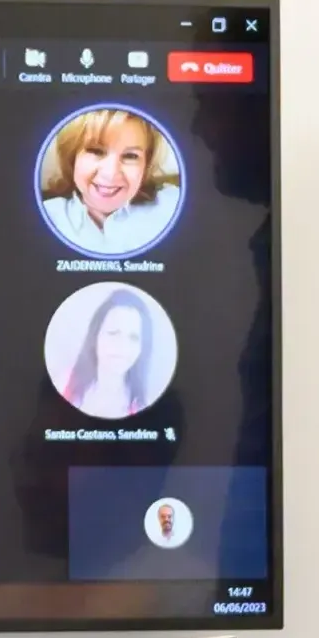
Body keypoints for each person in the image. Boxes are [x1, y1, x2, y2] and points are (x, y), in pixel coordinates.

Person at [37, 105, 183, 257]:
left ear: (145, 165)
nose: (111, 173)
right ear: (72, 158)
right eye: (96, 151)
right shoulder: (44, 217)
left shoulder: (173, 204)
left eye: (130, 156)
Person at [59, 287, 162, 418]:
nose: (123, 346)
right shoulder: (65, 384)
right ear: (95, 336)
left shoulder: (146, 406)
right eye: (113, 333)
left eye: (133, 338)